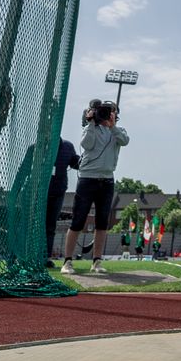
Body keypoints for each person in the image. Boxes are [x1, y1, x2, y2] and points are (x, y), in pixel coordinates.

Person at [61, 99, 128, 275]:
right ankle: (67, 261)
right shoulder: (90, 128)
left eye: (112, 111)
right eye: (105, 111)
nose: (108, 114)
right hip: (87, 179)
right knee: (78, 221)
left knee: (102, 223)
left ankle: (97, 261)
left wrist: (112, 126)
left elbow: (125, 141)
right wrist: (91, 123)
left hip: (107, 180)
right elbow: (86, 144)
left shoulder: (118, 131)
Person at [44, 137, 79, 265]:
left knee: (51, 225)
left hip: (58, 192)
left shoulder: (67, 146)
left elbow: (76, 163)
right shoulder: (37, 147)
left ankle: (46, 257)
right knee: (37, 225)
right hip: (39, 193)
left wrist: (86, 158)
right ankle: (31, 256)